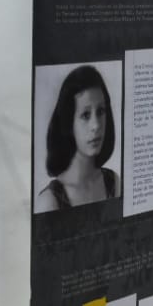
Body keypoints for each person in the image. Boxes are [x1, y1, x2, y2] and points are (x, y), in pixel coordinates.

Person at [36, 65, 119, 212]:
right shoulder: (49, 202)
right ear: (69, 123)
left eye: (100, 111)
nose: (96, 125)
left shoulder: (113, 182)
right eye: (86, 115)